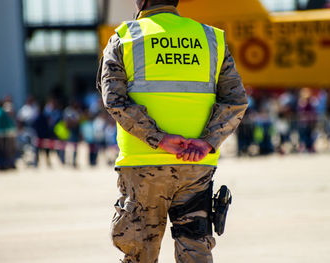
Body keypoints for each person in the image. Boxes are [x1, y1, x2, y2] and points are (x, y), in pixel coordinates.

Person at [97, 0, 248, 262]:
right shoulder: (211, 38)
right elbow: (235, 100)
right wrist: (208, 142)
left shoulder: (124, 38)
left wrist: (160, 139)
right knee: (196, 251)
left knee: (140, 254)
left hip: (143, 164)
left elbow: (115, 100)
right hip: (196, 165)